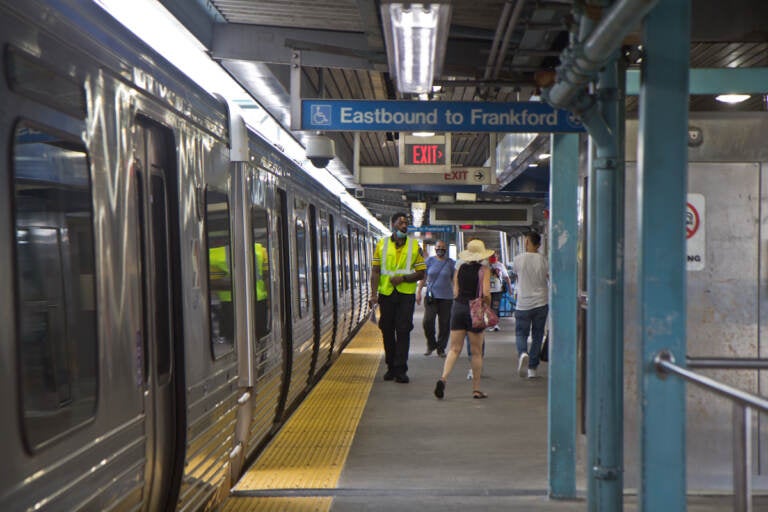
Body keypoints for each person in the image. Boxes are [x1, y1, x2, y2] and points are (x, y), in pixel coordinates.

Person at [370, 212, 426, 383]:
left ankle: (401, 369)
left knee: (403, 331)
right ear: (392, 224)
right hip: (386, 294)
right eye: (401, 222)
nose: (404, 225)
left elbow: (421, 273)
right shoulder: (381, 245)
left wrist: (403, 278)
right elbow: (376, 271)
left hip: (405, 295)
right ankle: (390, 367)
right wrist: (373, 294)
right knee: (387, 330)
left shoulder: (415, 246)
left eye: (406, 223)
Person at [433, 239, 493, 400]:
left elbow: (455, 292)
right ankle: (476, 389)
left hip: (458, 308)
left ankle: (443, 378)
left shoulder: (459, 269)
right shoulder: (484, 270)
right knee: (476, 352)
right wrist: (486, 305)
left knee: (454, 349)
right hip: (475, 309)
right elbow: (486, 293)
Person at [511, 232, 549, 379]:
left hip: (523, 304)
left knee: (521, 333)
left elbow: (515, 273)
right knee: (538, 335)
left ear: (527, 242)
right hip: (541, 302)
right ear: (539, 244)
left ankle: (523, 353)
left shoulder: (518, 260)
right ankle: (532, 369)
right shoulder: (544, 260)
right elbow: (549, 276)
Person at [416, 240, 455, 357]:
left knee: (444, 324)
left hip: (447, 298)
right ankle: (431, 344)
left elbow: (454, 280)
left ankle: (441, 348)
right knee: (427, 321)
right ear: (435, 248)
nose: (440, 249)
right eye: (438, 247)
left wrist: (457, 292)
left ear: (446, 249)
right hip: (431, 297)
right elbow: (423, 277)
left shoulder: (451, 263)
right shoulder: (429, 261)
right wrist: (418, 291)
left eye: (442, 247)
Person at [487, 252, 512, 331]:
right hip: (487, 290)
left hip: (498, 290)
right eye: (491, 256)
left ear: (497, 257)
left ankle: (495, 324)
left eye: (494, 256)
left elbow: (506, 277)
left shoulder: (500, 265)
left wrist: (510, 288)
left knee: (495, 307)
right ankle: (490, 323)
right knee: (488, 307)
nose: (493, 258)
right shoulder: (485, 265)